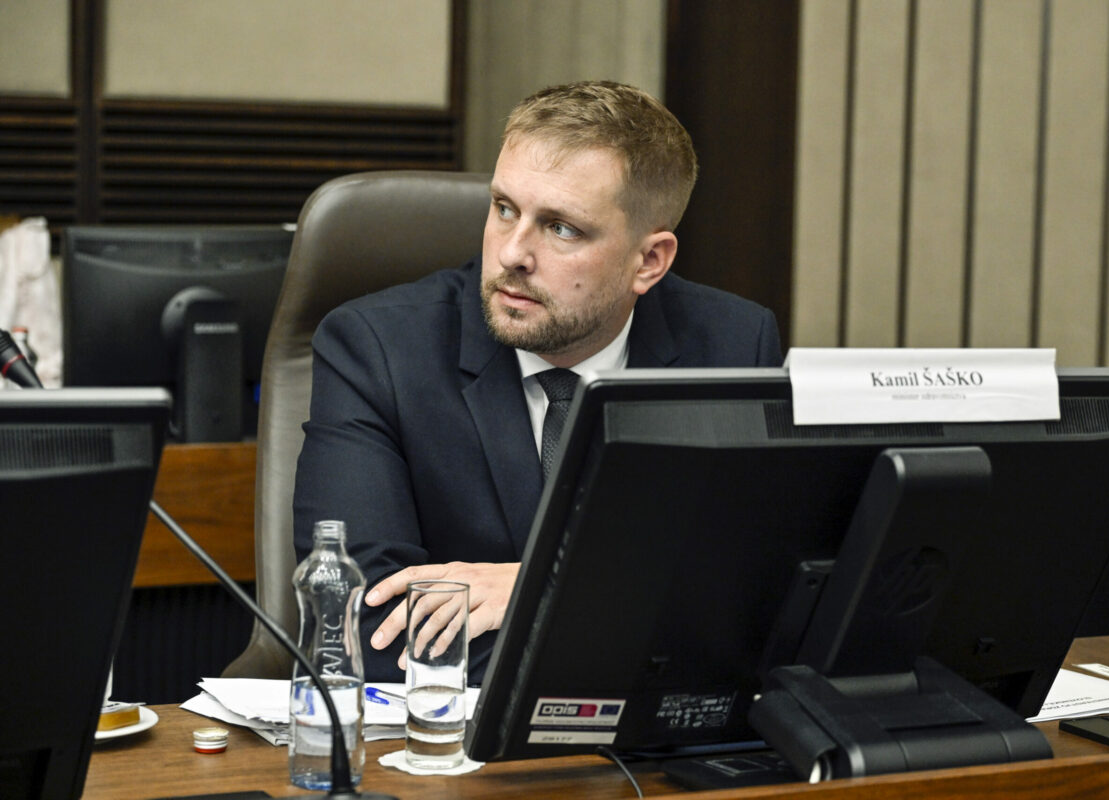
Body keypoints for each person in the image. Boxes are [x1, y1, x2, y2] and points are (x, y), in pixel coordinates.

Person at [293, 80, 783, 683]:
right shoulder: (377, 349)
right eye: (504, 209)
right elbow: (363, 626)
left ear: (649, 261)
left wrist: (541, 585)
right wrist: (621, 611)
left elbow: (750, 607)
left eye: (561, 228)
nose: (512, 255)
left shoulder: (731, 347)